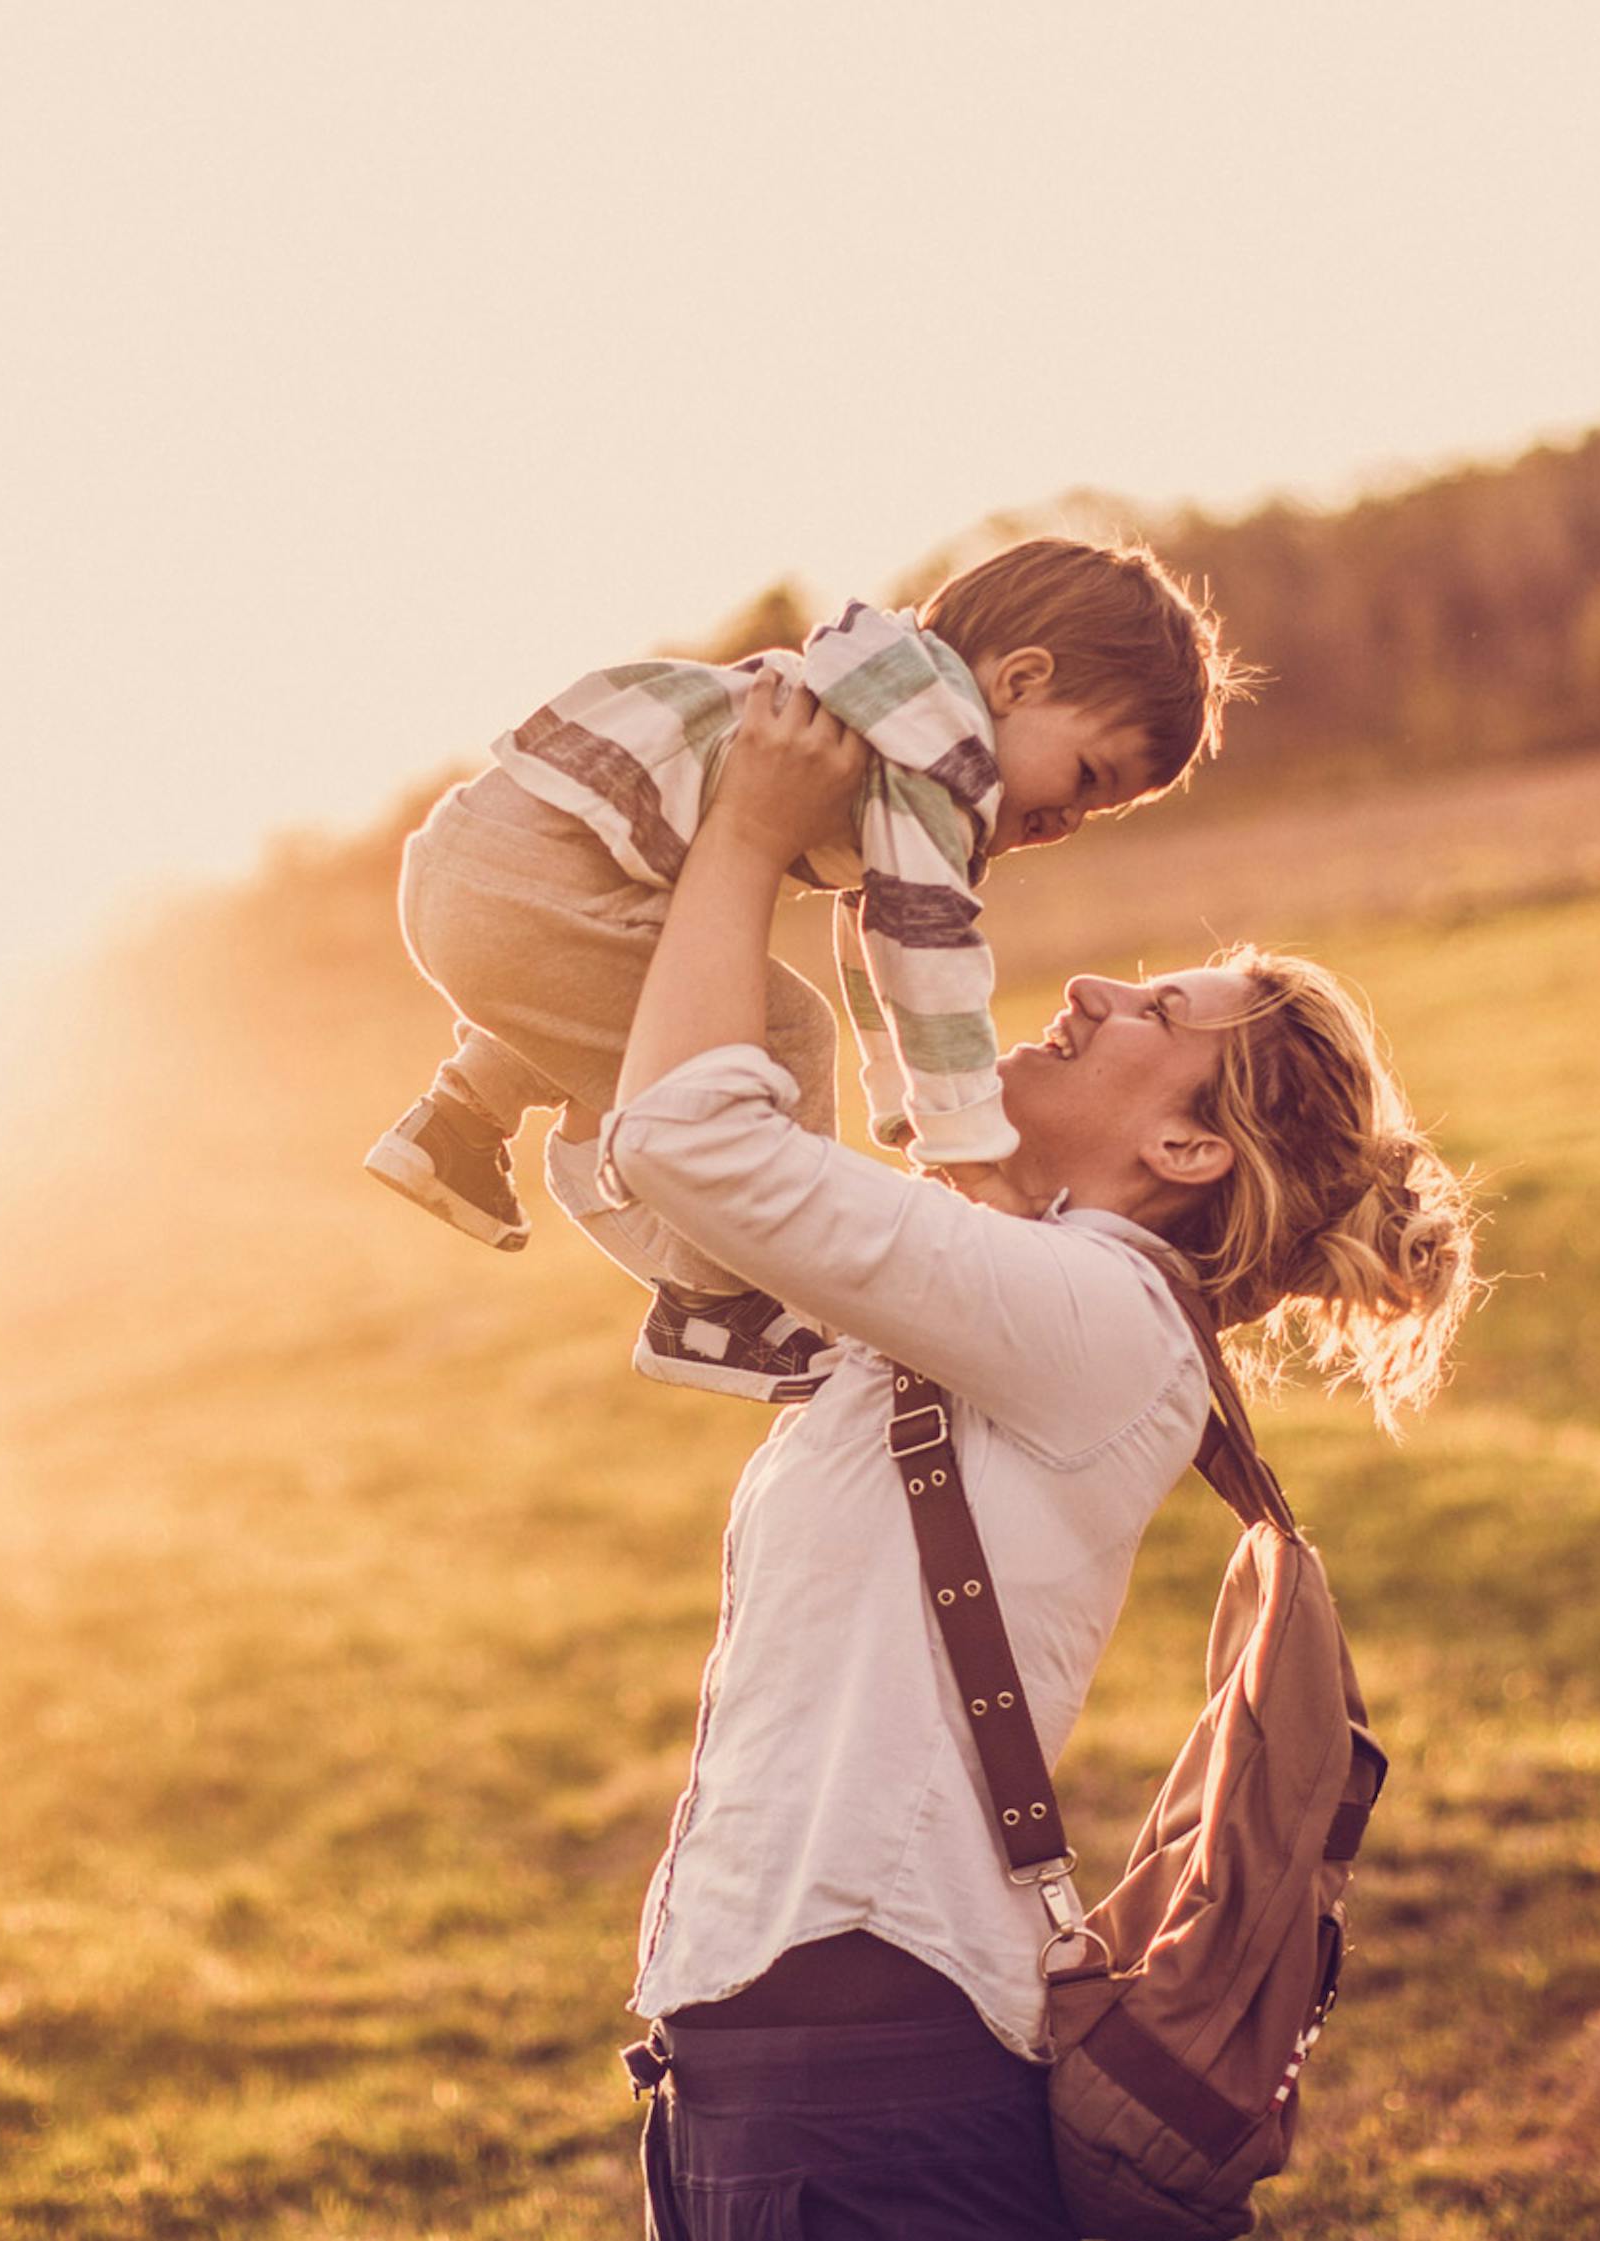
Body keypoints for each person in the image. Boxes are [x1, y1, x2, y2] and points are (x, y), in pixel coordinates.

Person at [597, 675, 1482, 2237]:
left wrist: (746, 836)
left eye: (1157, 1012)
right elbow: (757, 1149)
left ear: (1190, 1151)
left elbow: (691, 1139)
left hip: (863, 2088)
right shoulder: (1023, 1293)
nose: (1088, 985)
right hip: (773, 2069)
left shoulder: (1101, 1319)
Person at [364, 537, 1248, 1401]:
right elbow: (925, 951)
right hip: (524, 894)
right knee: (785, 1033)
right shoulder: (937, 758)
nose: (1070, 819)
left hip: (486, 857)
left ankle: (457, 1123)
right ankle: (715, 1303)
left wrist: (907, 1114)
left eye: (1100, 811)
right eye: (1086, 776)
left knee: (664, 967)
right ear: (1019, 681)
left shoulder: (884, 699)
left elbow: (869, 938)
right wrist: (973, 1151)